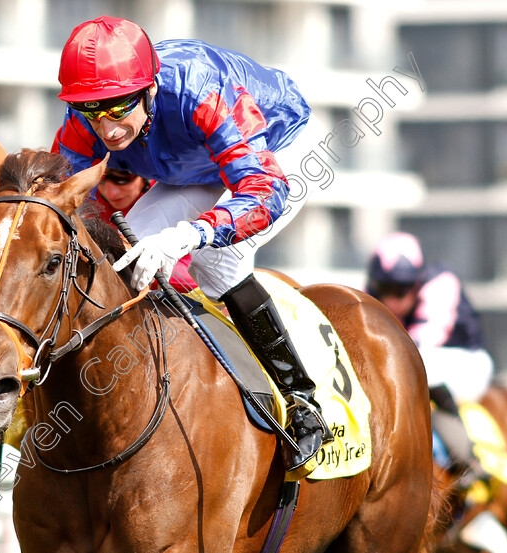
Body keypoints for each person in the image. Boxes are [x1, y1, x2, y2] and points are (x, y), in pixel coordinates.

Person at [54, 16, 331, 471]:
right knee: (120, 259)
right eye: (92, 110)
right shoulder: (88, 115)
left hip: (277, 151)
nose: (106, 128)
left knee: (214, 260)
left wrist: (191, 234)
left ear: (148, 90)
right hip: (193, 168)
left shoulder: (201, 91)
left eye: (119, 107)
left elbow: (263, 190)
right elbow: (61, 205)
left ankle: (300, 399)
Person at [366, 232, 493, 476]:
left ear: (417, 282)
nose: (391, 300)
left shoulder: (441, 283)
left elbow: (422, 342)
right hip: (414, 365)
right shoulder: (369, 292)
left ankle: (468, 458)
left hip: (468, 364)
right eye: (384, 288)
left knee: (419, 364)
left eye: (401, 289)